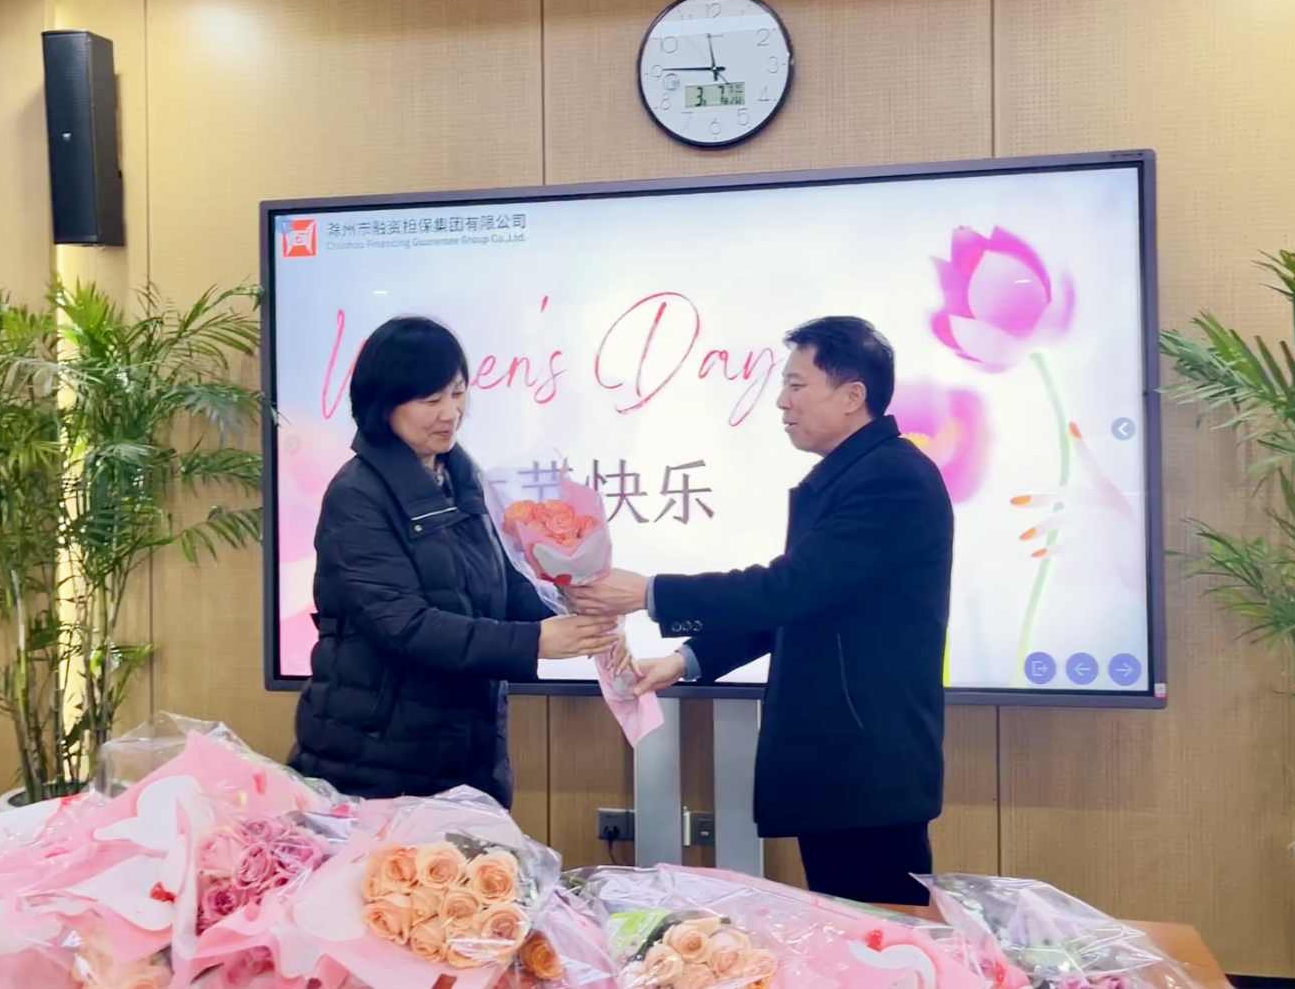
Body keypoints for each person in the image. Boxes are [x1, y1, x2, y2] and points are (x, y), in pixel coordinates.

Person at [568, 316, 953, 906]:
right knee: (848, 926)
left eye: (797, 385)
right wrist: (685, 661)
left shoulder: (892, 479)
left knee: (879, 934)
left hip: (866, 763)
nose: (781, 402)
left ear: (853, 396)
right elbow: (799, 604)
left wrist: (650, 593)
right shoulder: (856, 473)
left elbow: (789, 589)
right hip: (843, 761)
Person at [290, 316, 619, 806]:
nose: (451, 413)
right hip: (375, 758)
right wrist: (534, 641)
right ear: (384, 404)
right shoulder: (356, 495)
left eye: (458, 393)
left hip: (466, 747)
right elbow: (405, 625)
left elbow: (503, 583)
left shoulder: (463, 477)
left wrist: (573, 612)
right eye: (431, 400)